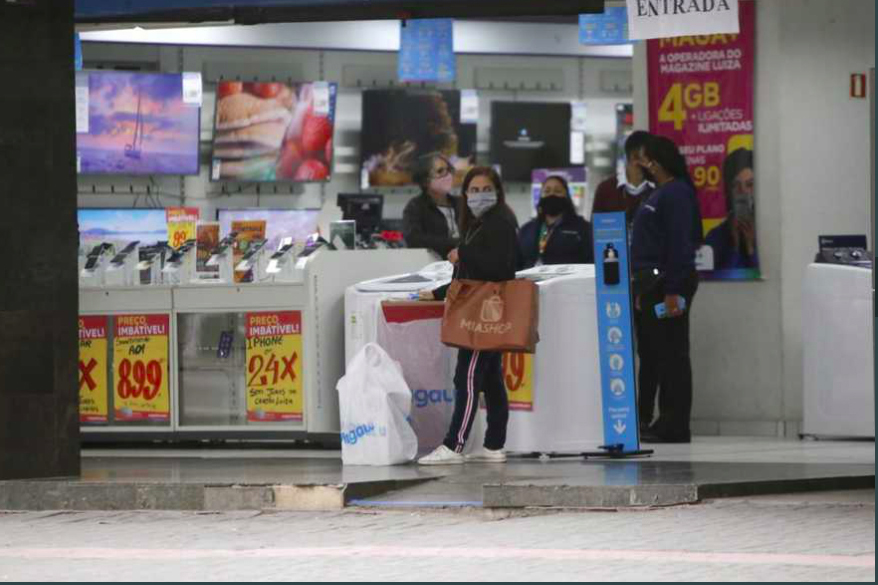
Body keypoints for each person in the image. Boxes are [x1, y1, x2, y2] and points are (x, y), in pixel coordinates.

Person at [416, 166, 519, 465]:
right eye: (473, 190)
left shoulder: (499, 224)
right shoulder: (479, 224)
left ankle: (454, 445)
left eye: (485, 189)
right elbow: (469, 276)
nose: (479, 196)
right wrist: (439, 292)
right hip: (484, 310)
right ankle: (494, 444)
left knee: (468, 375)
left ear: (497, 192)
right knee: (490, 378)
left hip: (483, 314)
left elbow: (500, 269)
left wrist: (464, 253)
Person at [631, 135, 702, 444]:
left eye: (643, 158)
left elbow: (679, 244)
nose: (640, 164)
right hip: (650, 284)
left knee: (672, 354)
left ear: (656, 162)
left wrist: (673, 290)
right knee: (655, 354)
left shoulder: (676, 194)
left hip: (667, 284)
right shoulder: (658, 194)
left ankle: (675, 424)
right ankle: (658, 419)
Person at [518, 175, 594, 268]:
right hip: (530, 280)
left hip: (566, 281)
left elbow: (590, 261)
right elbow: (517, 262)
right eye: (547, 191)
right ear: (541, 196)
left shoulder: (582, 228)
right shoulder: (527, 229)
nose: (551, 194)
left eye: (557, 191)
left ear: (566, 196)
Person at [402, 153, 461, 260]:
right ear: (425, 180)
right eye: (440, 171)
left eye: (448, 170)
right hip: (432, 265)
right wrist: (454, 243)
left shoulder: (461, 203)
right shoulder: (416, 206)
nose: (447, 175)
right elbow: (414, 239)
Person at [705, 148, 757, 269]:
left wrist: (751, 248)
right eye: (736, 185)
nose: (743, 192)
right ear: (729, 190)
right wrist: (735, 246)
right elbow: (714, 280)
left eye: (750, 185)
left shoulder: (767, 230)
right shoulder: (715, 236)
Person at [592, 130, 654, 229]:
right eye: (648, 156)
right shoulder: (606, 189)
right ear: (634, 157)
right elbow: (598, 234)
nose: (651, 162)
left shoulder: (659, 189)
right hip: (614, 244)